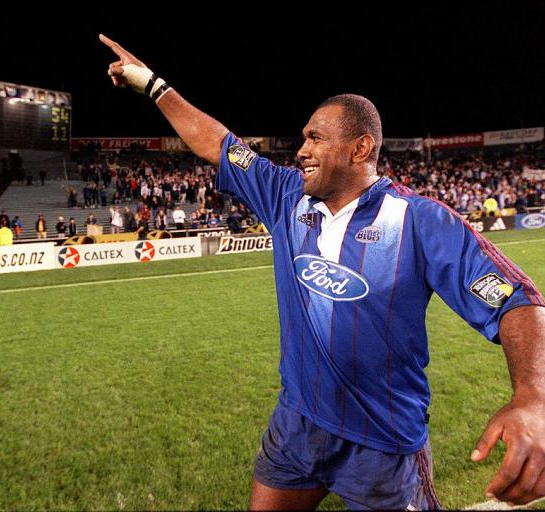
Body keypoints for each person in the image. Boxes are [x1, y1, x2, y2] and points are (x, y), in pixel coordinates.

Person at [100, 35, 545, 509]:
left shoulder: (419, 220)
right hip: (298, 423)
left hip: (384, 442)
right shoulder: (286, 196)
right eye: (303, 137)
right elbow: (218, 143)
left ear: (360, 149)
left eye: (315, 138)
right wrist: (151, 85)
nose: (300, 150)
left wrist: (534, 397)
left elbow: (517, 300)